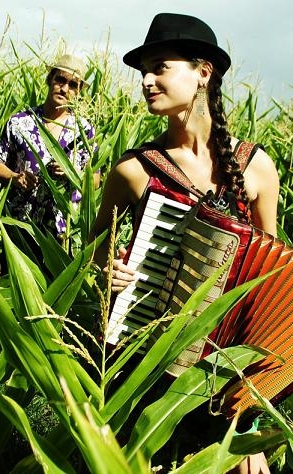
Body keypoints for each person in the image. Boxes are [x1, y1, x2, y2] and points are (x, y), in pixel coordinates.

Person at [90, 12, 281, 473]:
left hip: (230, 363)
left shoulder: (256, 166)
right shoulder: (134, 171)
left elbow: (273, 271)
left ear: (203, 72)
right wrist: (108, 274)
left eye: (160, 67)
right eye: (143, 72)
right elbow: (94, 258)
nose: (147, 80)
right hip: (150, 357)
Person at [0, 53, 97, 240]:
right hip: (20, 224)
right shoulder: (19, 122)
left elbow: (96, 179)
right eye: (60, 80)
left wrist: (72, 175)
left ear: (79, 92)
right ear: (50, 80)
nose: (65, 89)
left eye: (73, 85)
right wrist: (15, 177)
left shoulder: (84, 130)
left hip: (63, 231)